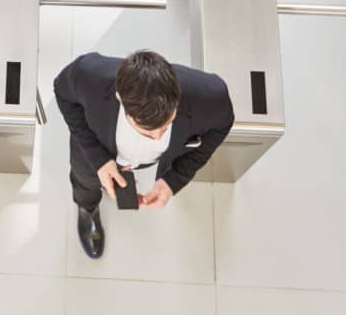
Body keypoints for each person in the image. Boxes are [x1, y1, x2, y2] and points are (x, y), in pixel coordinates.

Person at [54, 50, 234, 259]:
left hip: (143, 162)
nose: (158, 138)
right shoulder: (88, 74)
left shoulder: (211, 96)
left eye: (166, 125)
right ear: (120, 98)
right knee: (85, 183)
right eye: (147, 131)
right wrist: (99, 160)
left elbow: (222, 125)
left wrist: (173, 180)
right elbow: (62, 92)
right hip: (94, 151)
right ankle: (88, 209)